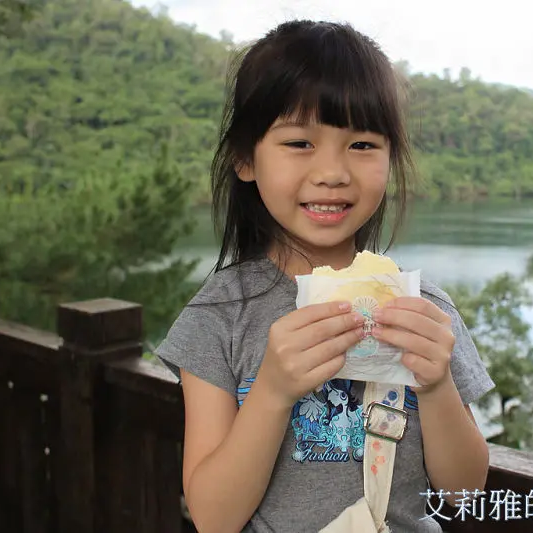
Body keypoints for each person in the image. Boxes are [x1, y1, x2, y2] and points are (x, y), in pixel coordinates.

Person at [155, 19, 496, 533]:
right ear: (245, 159)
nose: (333, 173)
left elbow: (465, 492)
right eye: (299, 143)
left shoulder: (423, 307)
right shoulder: (220, 315)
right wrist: (272, 390)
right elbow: (213, 518)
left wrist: (435, 385)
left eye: (362, 145)